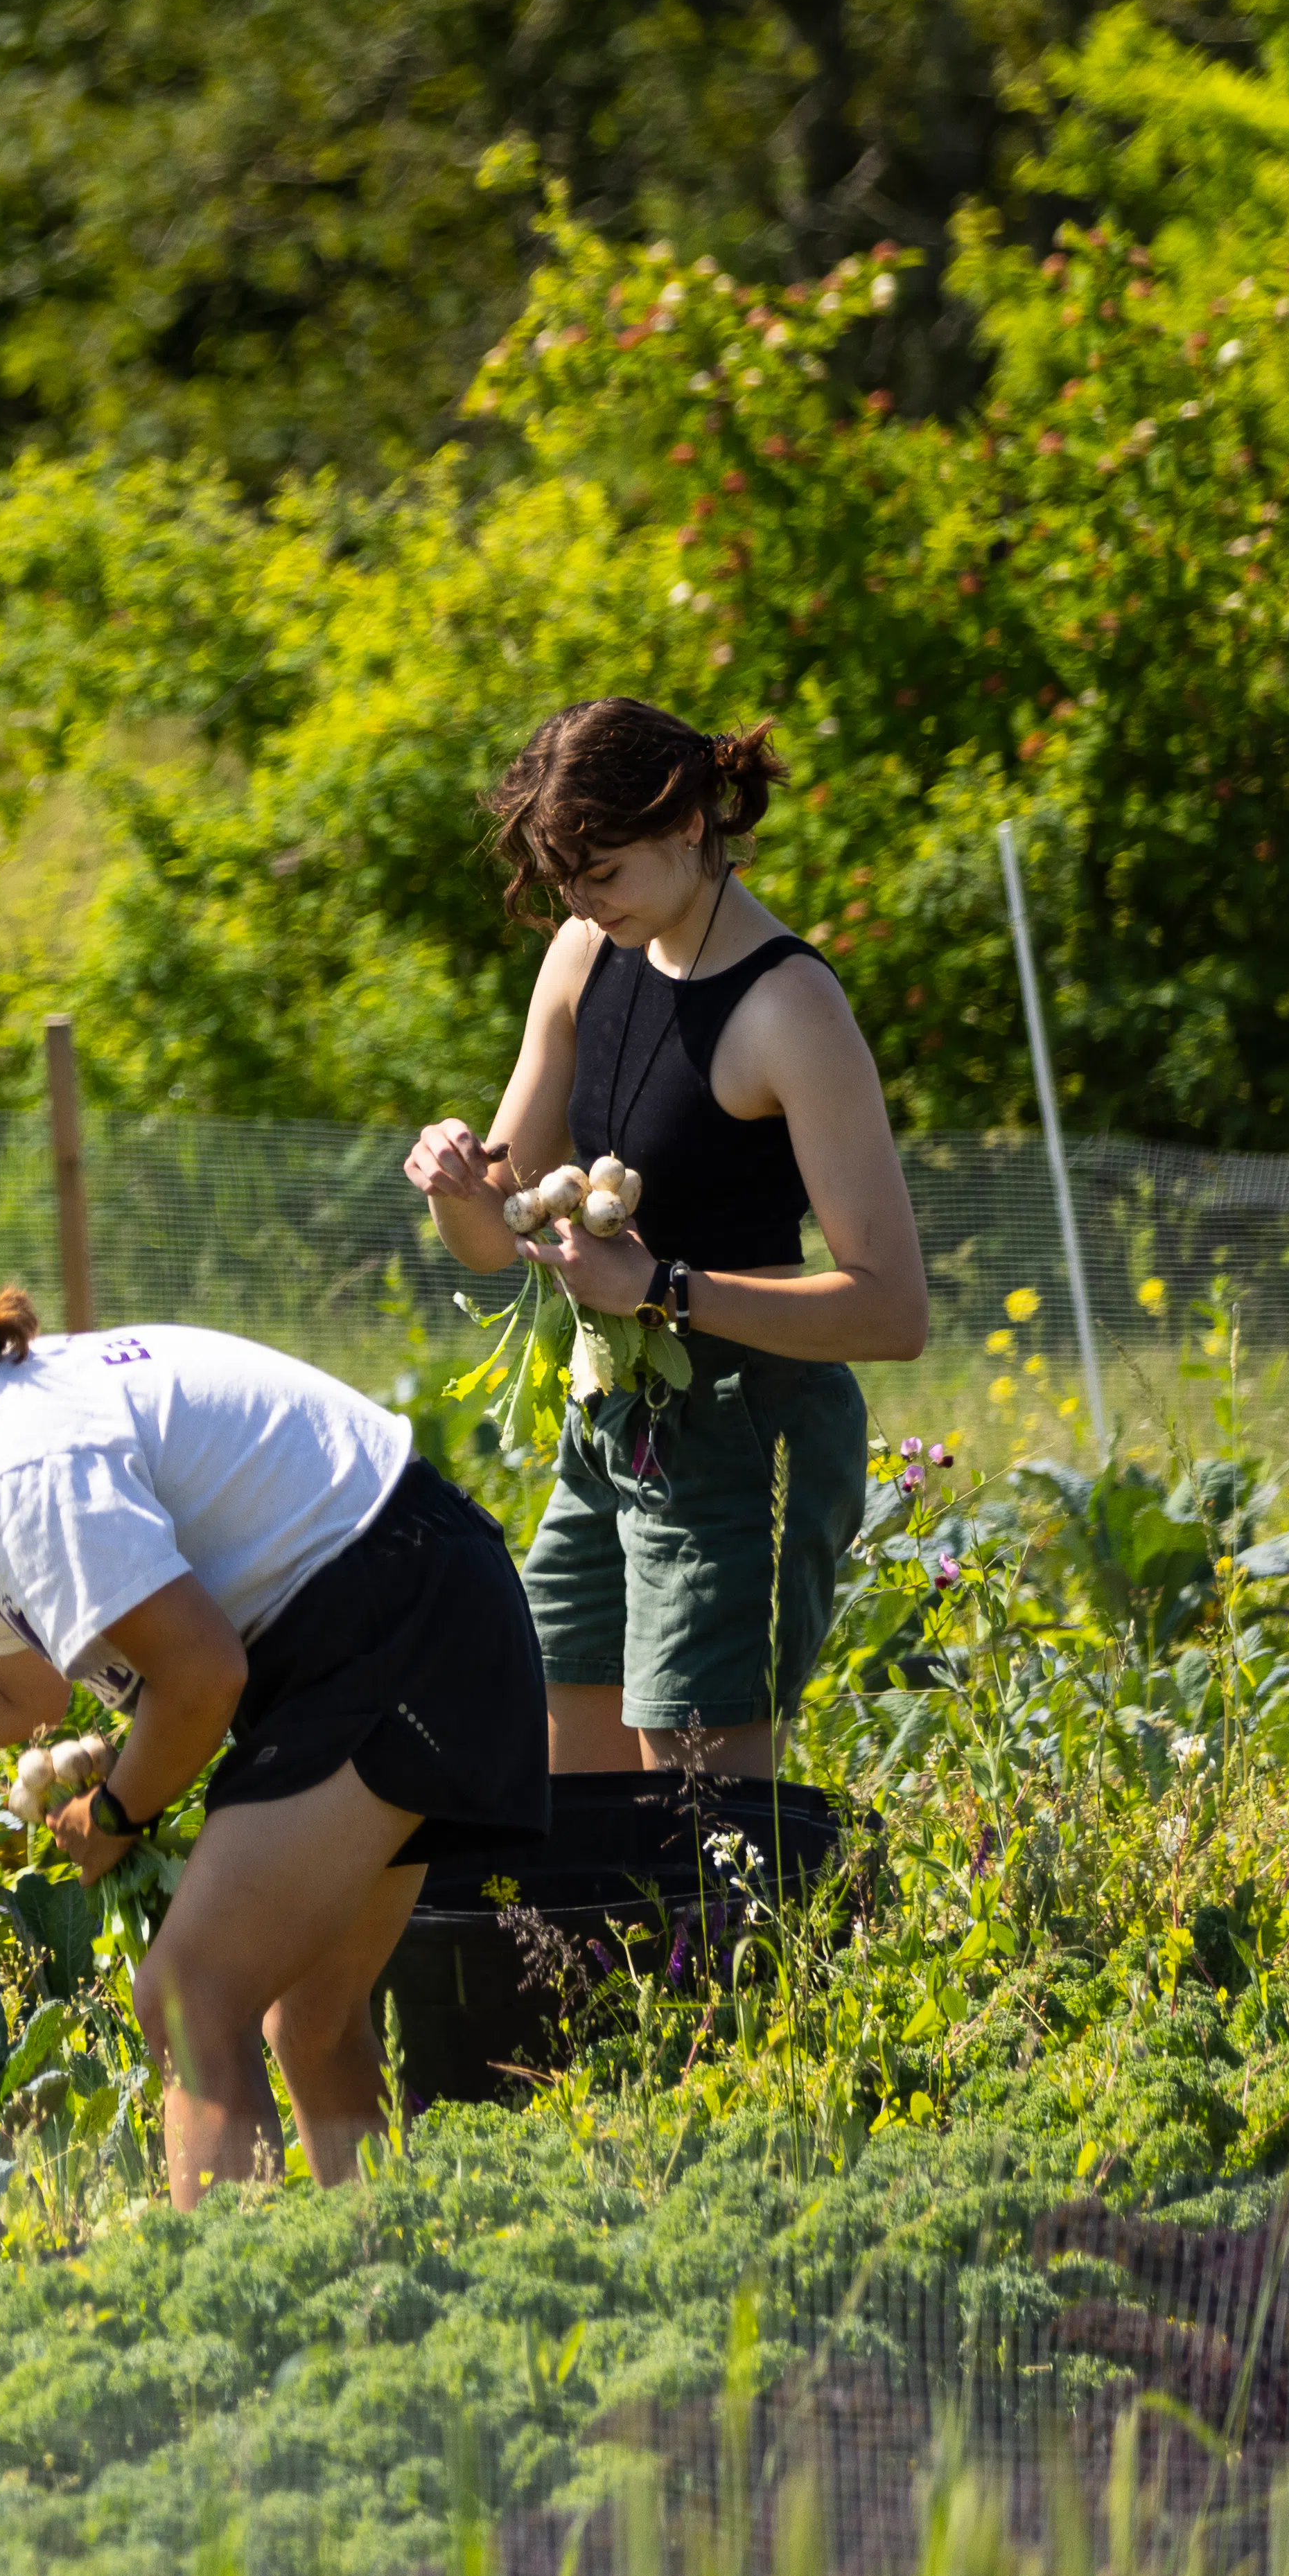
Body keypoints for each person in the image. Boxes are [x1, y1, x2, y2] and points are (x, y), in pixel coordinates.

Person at [0, 1235, 554, 2200]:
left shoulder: (18, 1462)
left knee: (188, 2000)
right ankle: (382, 2289)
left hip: (395, 1625)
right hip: (406, 1608)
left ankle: (233, 2312)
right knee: (311, 2017)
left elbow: (203, 1678)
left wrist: (120, 1813)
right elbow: (19, 1694)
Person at [397, 703, 927, 1778]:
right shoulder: (586, 956)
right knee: (565, 1767)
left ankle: (795, 1936)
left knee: (700, 1826)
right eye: (566, 883)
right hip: (613, 1418)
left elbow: (893, 1310)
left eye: (603, 874)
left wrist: (661, 1290)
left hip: (749, 1424)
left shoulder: (792, 1010)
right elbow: (497, 1239)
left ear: (690, 824)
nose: (583, 903)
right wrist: (455, 1182)